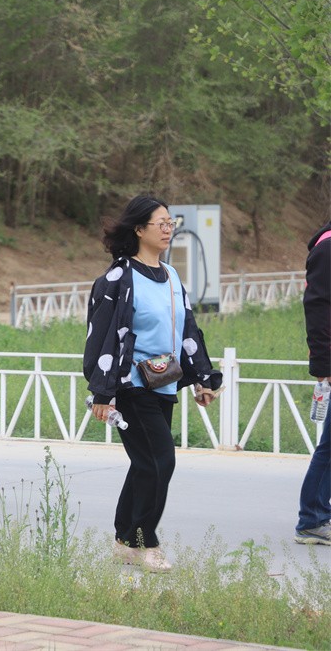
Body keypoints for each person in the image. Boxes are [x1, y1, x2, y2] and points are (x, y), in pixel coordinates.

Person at [84, 195, 222, 572]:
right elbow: (101, 337)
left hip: (163, 380)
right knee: (161, 460)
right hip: (130, 384)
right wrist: (103, 392)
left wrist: (203, 378)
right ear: (138, 230)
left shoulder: (171, 275)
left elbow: (187, 328)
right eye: (160, 223)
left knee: (146, 462)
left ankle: (123, 540)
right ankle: (144, 541)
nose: (167, 229)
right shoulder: (118, 278)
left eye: (170, 223)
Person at [295, 219, 331, 545]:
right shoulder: (327, 247)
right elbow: (317, 307)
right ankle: (312, 518)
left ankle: (316, 515)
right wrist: (323, 364)